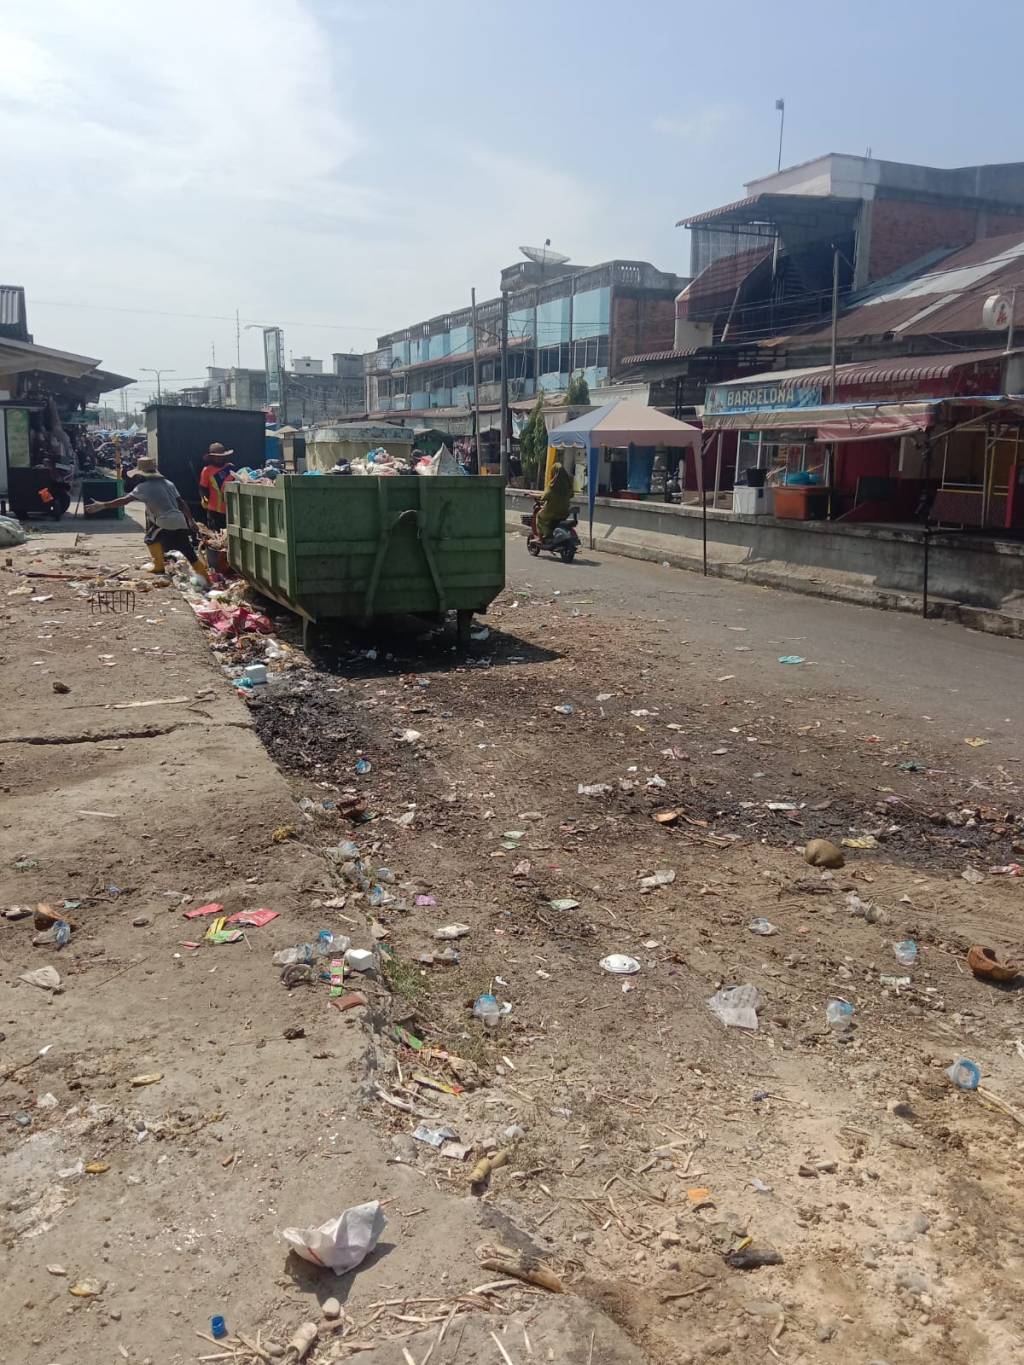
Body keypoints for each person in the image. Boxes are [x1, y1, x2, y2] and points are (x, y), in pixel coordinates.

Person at [85, 456, 210, 583]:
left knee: (150, 539)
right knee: (188, 551)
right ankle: (206, 578)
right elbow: (182, 503)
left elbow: (124, 500)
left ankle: (159, 566)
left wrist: (103, 505)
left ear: (141, 474)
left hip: (164, 521)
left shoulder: (143, 487)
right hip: (180, 520)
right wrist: (191, 520)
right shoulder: (169, 483)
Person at [198, 442, 236, 529]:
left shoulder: (231, 467)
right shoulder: (207, 470)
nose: (219, 458)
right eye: (216, 456)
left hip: (231, 510)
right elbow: (202, 488)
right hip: (215, 511)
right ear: (212, 457)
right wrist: (203, 497)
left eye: (221, 456)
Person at [535, 461, 573, 539]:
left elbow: (544, 497)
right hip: (564, 513)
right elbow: (571, 495)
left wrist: (535, 495)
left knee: (539, 516)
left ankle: (542, 537)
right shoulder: (568, 486)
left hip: (552, 513)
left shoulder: (552, 486)